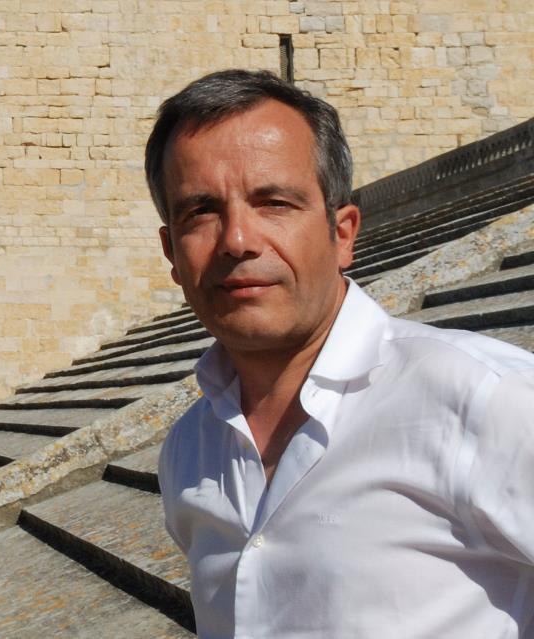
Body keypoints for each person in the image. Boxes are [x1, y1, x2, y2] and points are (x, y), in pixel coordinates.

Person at [148, 69, 534, 638]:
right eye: (200, 212)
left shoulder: (482, 398)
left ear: (343, 232)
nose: (237, 239)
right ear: (172, 253)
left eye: (274, 202)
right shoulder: (188, 449)